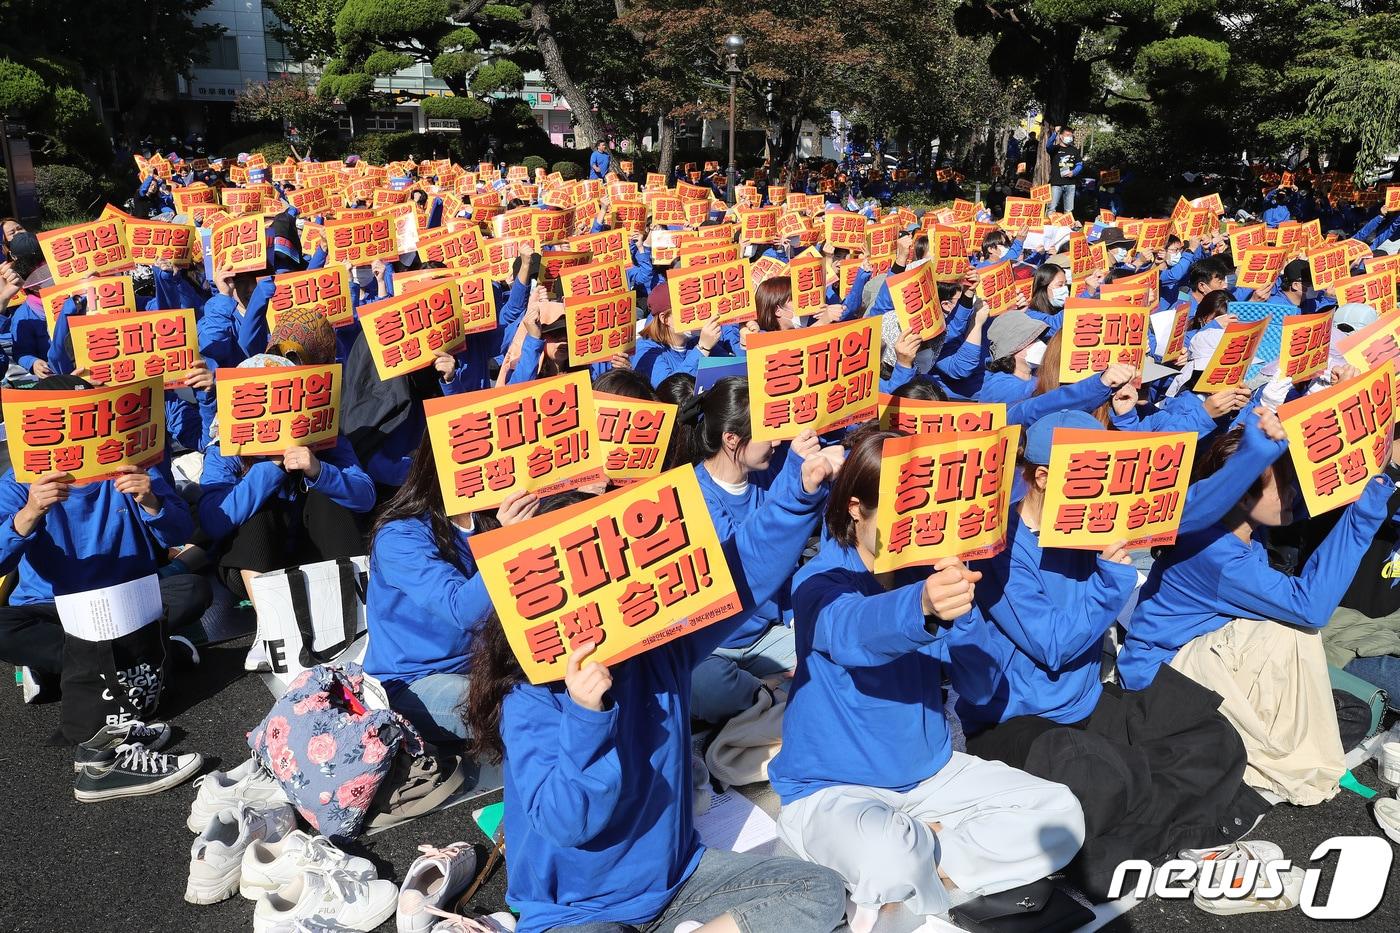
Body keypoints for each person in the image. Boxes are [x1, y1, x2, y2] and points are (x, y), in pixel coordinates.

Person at [460, 435, 849, 933]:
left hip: (677, 880)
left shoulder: (660, 647)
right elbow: (565, 823)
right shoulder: (529, 692)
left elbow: (739, 574)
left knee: (818, 891)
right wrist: (587, 716)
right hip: (579, 911)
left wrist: (798, 490)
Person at [948, 408, 1288, 898]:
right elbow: (1055, 646)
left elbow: (1189, 508)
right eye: (1091, 470)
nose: (1105, 483)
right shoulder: (997, 546)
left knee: (1212, 734)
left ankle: (1153, 833)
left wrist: (1257, 448)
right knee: (1092, 773)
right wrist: (1112, 580)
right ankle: (1175, 829)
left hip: (1085, 705)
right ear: (1043, 476)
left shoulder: (1095, 513)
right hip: (1012, 725)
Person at [769, 428, 1085, 923]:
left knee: (1060, 813)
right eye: (901, 508)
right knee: (885, 854)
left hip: (930, 773)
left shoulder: (929, 573)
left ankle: (924, 861)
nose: (914, 524)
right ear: (857, 508)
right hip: (834, 788)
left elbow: (980, 687)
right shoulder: (820, 581)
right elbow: (854, 631)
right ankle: (916, 862)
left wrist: (962, 610)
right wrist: (922, 607)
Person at [1119, 426, 1395, 804]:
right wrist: (1364, 512)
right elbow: (1310, 608)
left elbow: (1271, 427)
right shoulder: (1214, 549)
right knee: (1292, 632)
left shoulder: (1240, 531)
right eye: (1285, 483)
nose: (1295, 492)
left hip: (1199, 663)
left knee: (1343, 712)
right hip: (1166, 678)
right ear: (1240, 491)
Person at [0, 376, 211, 798]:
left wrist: (151, 501)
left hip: (128, 601)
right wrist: (28, 514)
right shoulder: (19, 482)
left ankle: (84, 667)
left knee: (193, 589)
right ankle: (144, 658)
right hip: (52, 605)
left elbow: (180, 529)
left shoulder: (134, 467)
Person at [363, 433, 539, 745]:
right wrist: (509, 542)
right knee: (521, 714)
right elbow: (463, 610)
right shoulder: (398, 537)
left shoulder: (496, 514)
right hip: (415, 681)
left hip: (490, 661)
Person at [197, 355, 376, 605]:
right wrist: (271, 466)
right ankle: (273, 625)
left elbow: (365, 496)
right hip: (255, 567)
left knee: (329, 495)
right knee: (257, 508)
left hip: (318, 555)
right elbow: (214, 521)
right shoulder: (224, 449)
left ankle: (357, 605)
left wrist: (319, 470)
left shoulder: (324, 437)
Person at [1045, 126, 1082, 215]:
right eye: (1067, 135)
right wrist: (1055, 133)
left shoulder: (1074, 150)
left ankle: (1067, 227)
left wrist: (1074, 172)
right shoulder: (1055, 149)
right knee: (1052, 208)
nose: (1070, 137)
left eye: (1071, 135)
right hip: (1056, 183)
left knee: (1069, 210)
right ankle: (1049, 226)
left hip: (1070, 184)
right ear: (1061, 136)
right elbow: (1048, 145)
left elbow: (1079, 164)